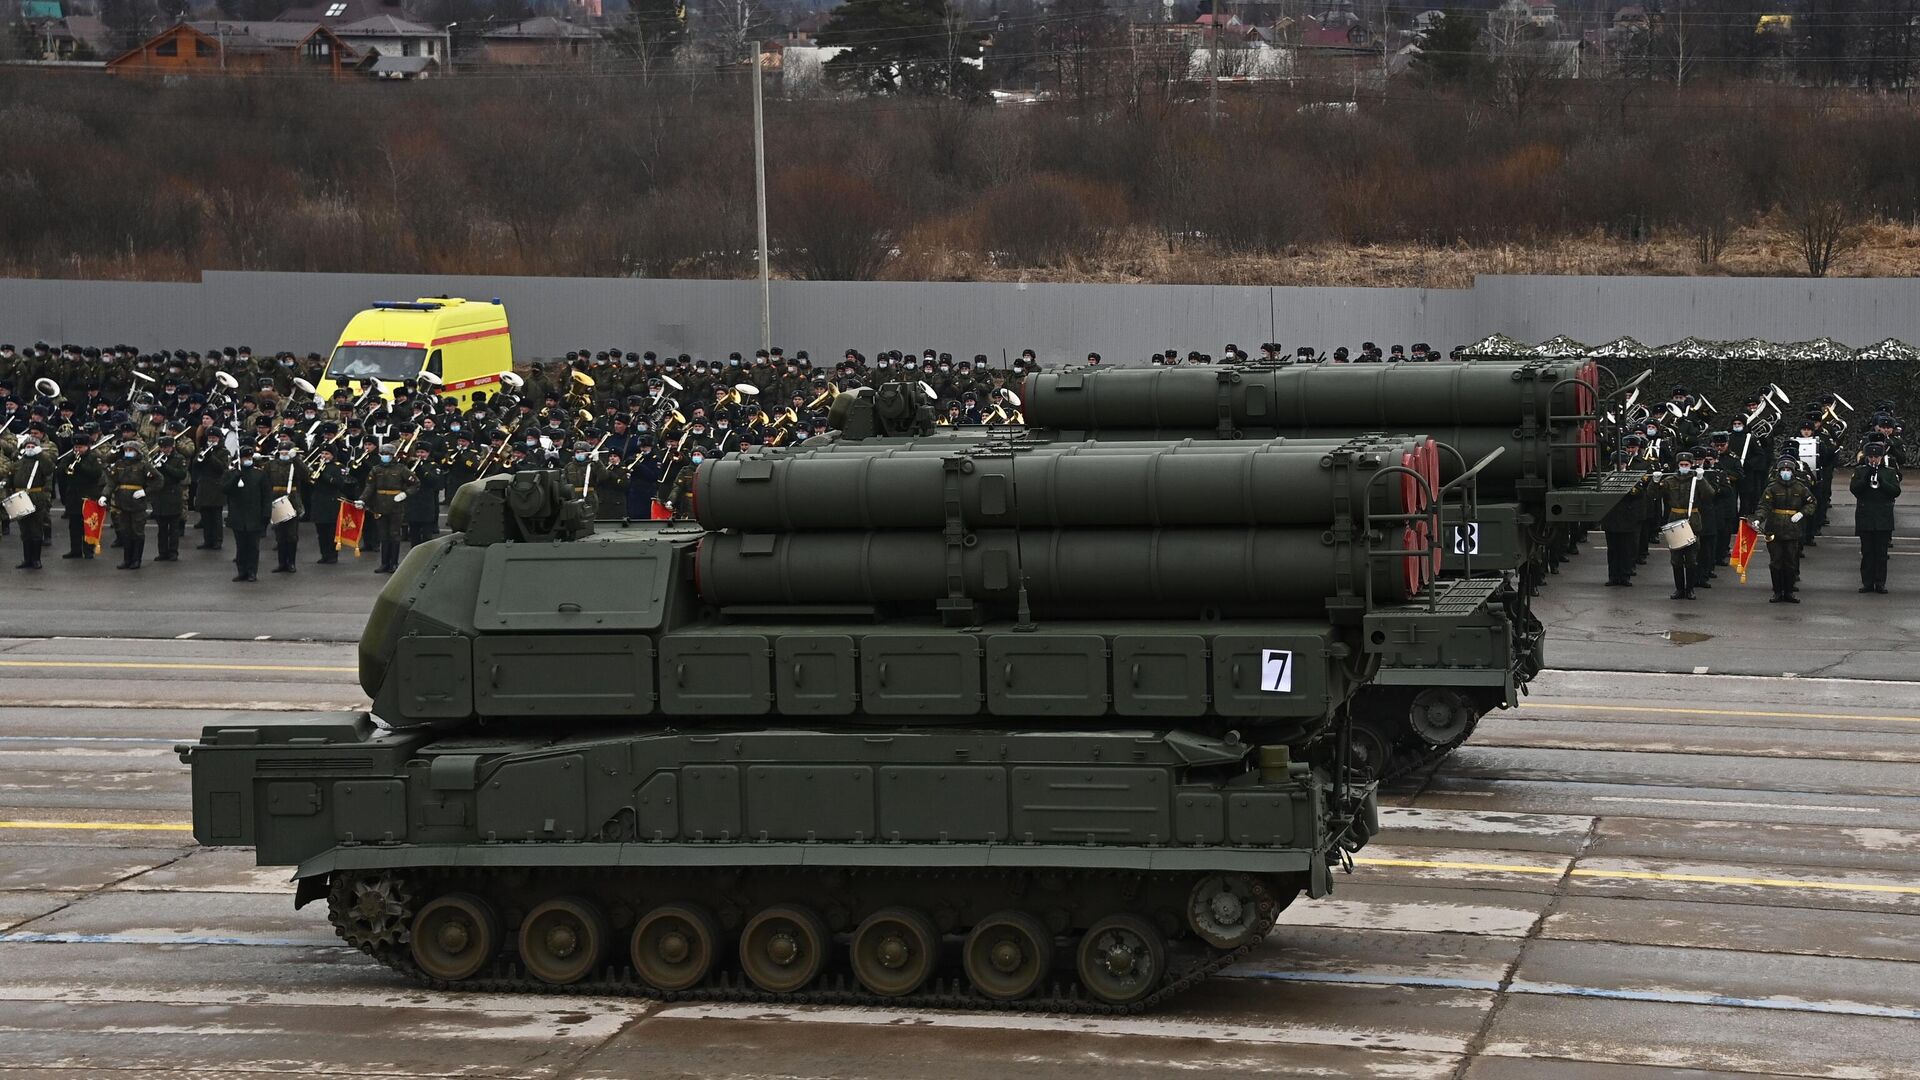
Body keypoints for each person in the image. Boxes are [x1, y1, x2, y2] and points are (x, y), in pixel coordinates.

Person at [1754, 456, 1817, 604]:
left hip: (1792, 529)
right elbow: (1764, 505)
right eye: (1783, 470)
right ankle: (1777, 591)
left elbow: (1812, 502)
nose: (1786, 472)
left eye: (1788, 470)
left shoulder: (1800, 488)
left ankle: (1789, 591)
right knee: (1776, 562)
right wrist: (1759, 518)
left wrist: (1802, 513)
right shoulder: (1772, 488)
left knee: (1790, 562)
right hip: (1774, 528)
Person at [1655, 450, 1714, 600]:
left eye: (1686, 464)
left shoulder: (1696, 479)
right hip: (1675, 518)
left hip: (1692, 520)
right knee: (1676, 559)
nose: (1684, 467)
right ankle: (1679, 589)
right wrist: (1654, 483)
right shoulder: (1670, 481)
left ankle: (1690, 589)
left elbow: (1709, 495)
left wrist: (1701, 480)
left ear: (1692, 464)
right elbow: (1654, 495)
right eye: (1681, 464)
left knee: (1692, 559)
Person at [357, 443, 418, 574]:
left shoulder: (401, 469)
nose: (384, 457)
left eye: (387, 454)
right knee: (383, 535)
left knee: (394, 534)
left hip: (396, 505)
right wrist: (362, 499)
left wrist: (405, 494)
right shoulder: (376, 469)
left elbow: (415, 483)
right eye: (383, 454)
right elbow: (370, 486)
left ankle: (394, 563)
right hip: (380, 505)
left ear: (393, 455)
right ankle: (384, 563)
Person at [1850, 442, 1901, 594]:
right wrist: (1866, 478)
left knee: (1881, 554)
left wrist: (1882, 481)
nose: (1873, 460)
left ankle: (1880, 583)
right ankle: (1867, 583)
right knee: (1867, 553)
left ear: (1881, 457)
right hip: (1866, 516)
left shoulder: (1889, 472)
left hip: (1883, 517)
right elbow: (1854, 489)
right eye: (1871, 457)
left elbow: (1895, 492)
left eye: (1876, 457)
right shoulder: (1860, 471)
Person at [107, 439, 158, 570]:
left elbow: (158, 480)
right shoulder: (120, 464)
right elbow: (112, 481)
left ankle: (136, 560)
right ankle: (126, 559)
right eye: (126, 450)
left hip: (137, 504)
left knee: (137, 532)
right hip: (122, 502)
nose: (128, 453)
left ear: (137, 452)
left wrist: (145, 491)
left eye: (131, 450)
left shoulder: (144, 465)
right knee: (125, 531)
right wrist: (104, 495)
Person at [3, 433, 52, 569]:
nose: (30, 448)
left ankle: (36, 560)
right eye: (28, 446)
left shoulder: (41, 462)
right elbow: (10, 475)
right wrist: (5, 482)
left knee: (36, 529)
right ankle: (27, 559)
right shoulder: (18, 462)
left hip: (36, 497)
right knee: (24, 530)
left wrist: (40, 454)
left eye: (33, 446)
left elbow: (49, 469)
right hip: (20, 496)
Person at [223, 447, 269, 583]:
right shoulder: (232, 474)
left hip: (255, 515)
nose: (248, 460)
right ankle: (241, 571)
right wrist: (236, 477)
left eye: (250, 458)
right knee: (241, 546)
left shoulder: (259, 475)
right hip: (238, 515)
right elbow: (225, 489)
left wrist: (266, 514)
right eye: (245, 458)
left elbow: (266, 496)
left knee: (253, 547)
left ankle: (252, 571)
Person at [59, 431, 105, 560]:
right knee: (74, 525)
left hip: (88, 495)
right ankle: (75, 550)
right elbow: (61, 470)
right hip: (73, 495)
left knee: (88, 524)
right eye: (76, 447)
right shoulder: (70, 456)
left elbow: (96, 473)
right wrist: (68, 463)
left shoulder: (93, 457)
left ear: (87, 447)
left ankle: (88, 550)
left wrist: (80, 466)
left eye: (80, 447)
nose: (77, 450)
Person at [264, 443, 309, 573]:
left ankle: (292, 563)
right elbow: (265, 482)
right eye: (282, 451)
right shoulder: (270, 465)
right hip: (276, 499)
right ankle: (281, 563)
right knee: (280, 534)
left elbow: (306, 475)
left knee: (291, 535)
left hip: (292, 499)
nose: (284, 454)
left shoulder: (295, 464)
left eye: (286, 452)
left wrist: (296, 459)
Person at [148, 435, 188, 562]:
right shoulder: (155, 458)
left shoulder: (179, 458)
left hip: (173, 494)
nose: (164, 450)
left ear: (172, 447)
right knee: (162, 528)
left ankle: (173, 552)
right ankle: (162, 552)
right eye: (162, 447)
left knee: (174, 528)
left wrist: (165, 467)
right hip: (160, 495)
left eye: (166, 447)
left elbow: (181, 475)